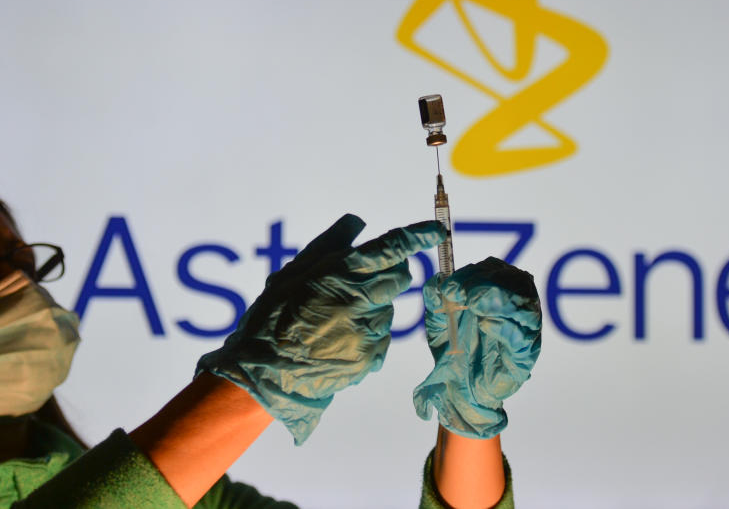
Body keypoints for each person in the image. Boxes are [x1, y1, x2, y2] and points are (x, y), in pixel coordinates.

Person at [0, 199, 541, 508]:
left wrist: (469, 422)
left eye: (18, 258)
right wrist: (257, 378)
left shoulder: (194, 498)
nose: (17, 281)